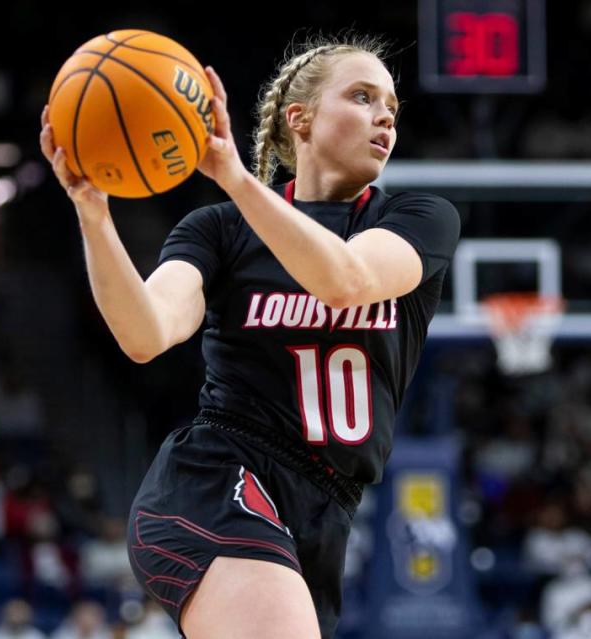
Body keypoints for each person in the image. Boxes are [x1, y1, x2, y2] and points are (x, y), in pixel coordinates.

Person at [39, 34, 460, 639]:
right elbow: (145, 332)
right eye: (363, 96)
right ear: (301, 119)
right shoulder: (220, 228)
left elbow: (346, 278)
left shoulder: (418, 218)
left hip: (325, 507)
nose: (385, 115)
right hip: (219, 479)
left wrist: (237, 179)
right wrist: (93, 213)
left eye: (391, 104)